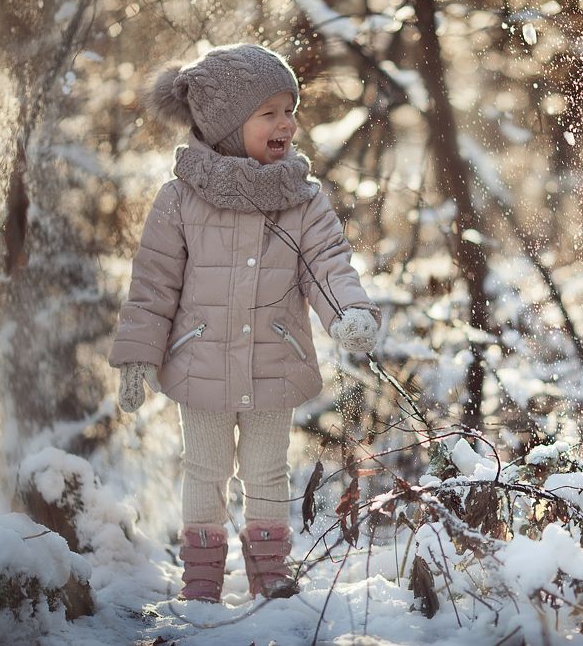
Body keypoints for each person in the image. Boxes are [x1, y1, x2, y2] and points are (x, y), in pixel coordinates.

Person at [108, 43, 380, 603]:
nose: (287, 123)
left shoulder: (301, 202)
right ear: (229, 126)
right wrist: (137, 354)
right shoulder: (179, 200)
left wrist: (348, 313)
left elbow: (328, 264)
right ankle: (202, 581)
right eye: (269, 113)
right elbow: (153, 286)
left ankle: (269, 576)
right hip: (199, 361)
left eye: (290, 109)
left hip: (273, 361)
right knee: (204, 470)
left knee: (267, 472)